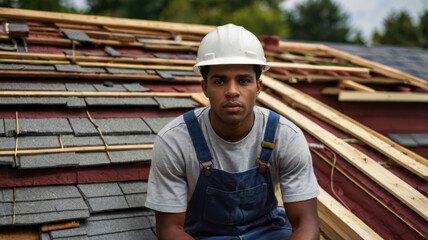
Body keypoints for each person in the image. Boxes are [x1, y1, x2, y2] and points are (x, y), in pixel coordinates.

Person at [145, 23, 320, 240]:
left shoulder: (285, 136)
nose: (232, 91)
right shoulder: (174, 141)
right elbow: (169, 230)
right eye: (219, 81)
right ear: (205, 88)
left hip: (268, 232)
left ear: (258, 86)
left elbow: (307, 225)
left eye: (243, 80)